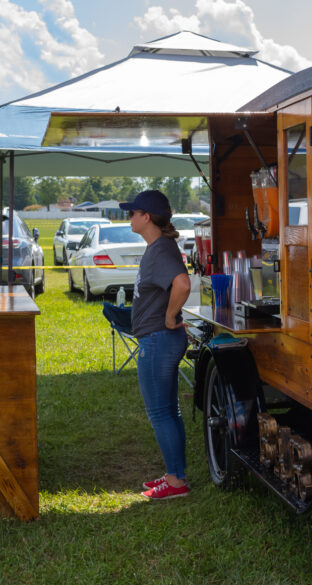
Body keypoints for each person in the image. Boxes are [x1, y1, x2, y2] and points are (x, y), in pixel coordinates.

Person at [121, 190, 191, 500]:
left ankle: (176, 483)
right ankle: (175, 475)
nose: (130, 217)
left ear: (146, 216)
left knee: (160, 414)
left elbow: (182, 283)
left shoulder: (161, 249)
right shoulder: (159, 246)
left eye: (133, 212)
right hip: (160, 339)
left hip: (158, 340)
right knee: (169, 411)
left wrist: (169, 315)